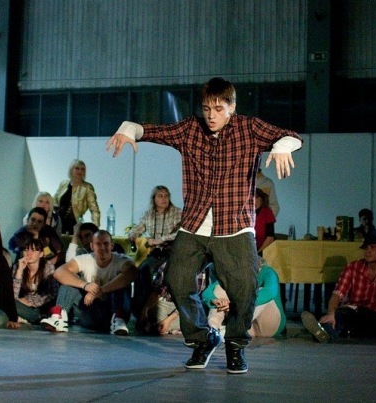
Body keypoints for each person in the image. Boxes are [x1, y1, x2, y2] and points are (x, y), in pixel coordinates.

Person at [106, 77, 302, 374]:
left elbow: (291, 136)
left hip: (235, 226)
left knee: (245, 286)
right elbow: (153, 131)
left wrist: (283, 146)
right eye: (207, 108)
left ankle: (235, 345)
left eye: (218, 109)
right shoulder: (190, 129)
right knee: (176, 278)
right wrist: (128, 128)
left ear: (232, 108)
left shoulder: (249, 129)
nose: (211, 115)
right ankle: (202, 338)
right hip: (195, 225)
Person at [301, 230, 376, 342]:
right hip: (353, 313)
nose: (368, 251)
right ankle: (323, 331)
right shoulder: (353, 267)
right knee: (338, 316)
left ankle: (336, 330)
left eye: (373, 247)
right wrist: (331, 313)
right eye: (366, 248)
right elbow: (337, 294)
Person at [40, 230, 137, 334]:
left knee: (123, 285)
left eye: (106, 244)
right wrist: (85, 285)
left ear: (112, 245)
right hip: (90, 312)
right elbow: (59, 272)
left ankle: (118, 320)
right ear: (92, 246)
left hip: (112, 312)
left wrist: (99, 290)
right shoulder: (86, 258)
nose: (102, 248)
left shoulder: (121, 259)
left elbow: (132, 273)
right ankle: (58, 318)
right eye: (98, 244)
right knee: (68, 284)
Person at [128, 185, 182, 321]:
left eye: (166, 195)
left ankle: (152, 307)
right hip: (156, 253)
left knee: (157, 274)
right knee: (141, 271)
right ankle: (139, 309)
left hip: (172, 252)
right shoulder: (149, 214)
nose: (164, 199)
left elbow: (180, 233)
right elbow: (138, 227)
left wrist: (161, 239)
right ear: (154, 199)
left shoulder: (177, 213)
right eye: (160, 196)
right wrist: (133, 235)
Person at [204, 259, 286, 338]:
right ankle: (213, 330)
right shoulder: (235, 274)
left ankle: (236, 326)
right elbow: (207, 291)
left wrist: (238, 304)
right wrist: (215, 300)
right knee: (219, 289)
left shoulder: (268, 272)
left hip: (269, 325)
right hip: (248, 329)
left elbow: (270, 292)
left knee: (255, 292)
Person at [12, 238, 59, 324]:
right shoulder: (18, 266)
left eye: (33, 250)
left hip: (42, 307)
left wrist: (30, 301)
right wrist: (19, 271)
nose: (29, 253)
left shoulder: (48, 267)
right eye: (26, 250)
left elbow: (53, 293)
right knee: (10, 303)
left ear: (41, 254)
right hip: (22, 305)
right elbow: (13, 295)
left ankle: (38, 319)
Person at [53, 159, 101, 235]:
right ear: (71, 170)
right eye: (77, 168)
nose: (80, 171)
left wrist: (95, 229)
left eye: (82, 169)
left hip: (74, 225)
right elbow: (54, 200)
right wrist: (55, 208)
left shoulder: (87, 187)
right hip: (58, 223)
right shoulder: (63, 184)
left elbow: (95, 210)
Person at [254, 188, 276, 255]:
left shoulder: (267, 212)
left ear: (259, 199)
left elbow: (270, 237)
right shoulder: (246, 212)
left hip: (266, 249)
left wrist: (259, 253)